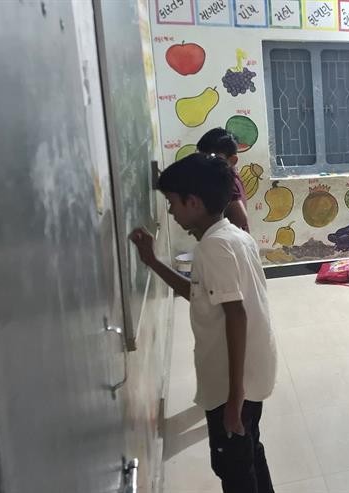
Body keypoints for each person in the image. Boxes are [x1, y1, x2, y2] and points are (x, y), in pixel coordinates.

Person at [128, 154, 276, 493]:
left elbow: (235, 315)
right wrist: (153, 261)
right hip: (251, 373)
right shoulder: (234, 236)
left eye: (172, 202)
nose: (170, 212)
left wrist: (234, 399)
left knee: (234, 469)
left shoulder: (213, 248)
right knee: (249, 452)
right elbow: (196, 294)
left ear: (193, 202)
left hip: (232, 384)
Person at [197, 128, 250, 232]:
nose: (206, 164)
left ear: (232, 160)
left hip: (231, 239)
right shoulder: (227, 176)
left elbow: (240, 218)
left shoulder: (228, 182)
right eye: (203, 158)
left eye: (213, 158)